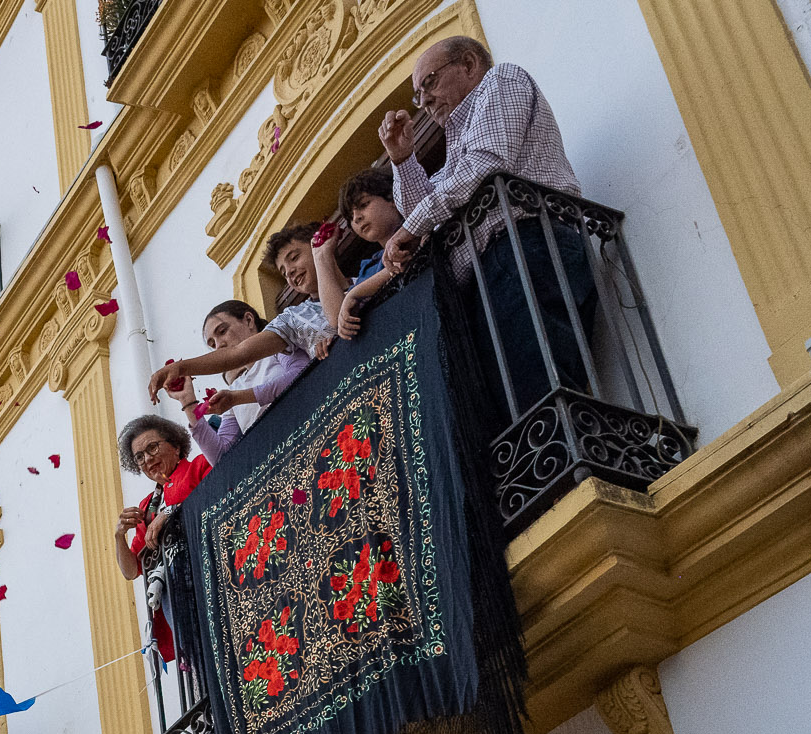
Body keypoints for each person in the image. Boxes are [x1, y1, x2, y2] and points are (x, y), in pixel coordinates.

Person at [377, 37, 592, 409]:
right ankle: (548, 461)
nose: (424, 101)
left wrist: (413, 226)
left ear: (469, 63)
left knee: (539, 384)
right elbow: (424, 215)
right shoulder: (458, 142)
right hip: (492, 271)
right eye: (417, 96)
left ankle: (564, 462)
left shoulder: (499, 81)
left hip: (523, 246)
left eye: (428, 83)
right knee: (513, 400)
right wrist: (402, 160)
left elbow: (486, 165)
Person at [150, 301, 323, 457]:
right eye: (212, 344)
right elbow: (221, 455)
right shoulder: (234, 388)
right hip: (282, 459)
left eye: (222, 331)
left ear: (248, 320)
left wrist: (239, 398)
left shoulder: (277, 347)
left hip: (315, 430)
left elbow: (300, 374)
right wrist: (188, 402)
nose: (219, 345)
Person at [115, 414, 212, 663]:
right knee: (201, 666)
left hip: (209, 578)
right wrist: (119, 536)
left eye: (152, 447)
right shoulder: (147, 507)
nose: (147, 459)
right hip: (176, 605)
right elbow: (131, 570)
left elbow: (215, 496)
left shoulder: (199, 465)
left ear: (176, 445)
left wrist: (169, 511)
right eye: (139, 457)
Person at [315, 168, 406, 339]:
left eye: (363, 205)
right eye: (350, 217)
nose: (356, 218)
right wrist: (321, 256)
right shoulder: (369, 267)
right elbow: (339, 318)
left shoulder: (414, 229)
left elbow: (405, 262)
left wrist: (355, 293)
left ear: (392, 199)